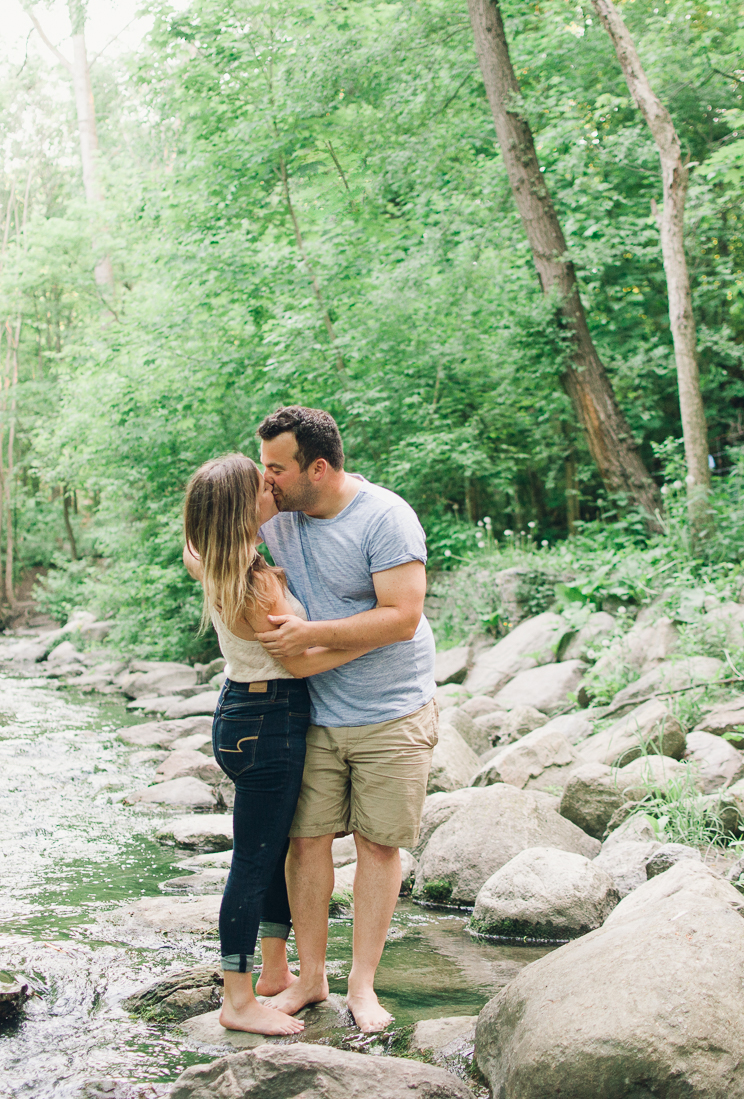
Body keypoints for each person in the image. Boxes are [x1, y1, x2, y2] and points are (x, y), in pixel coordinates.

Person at [249, 406, 436, 1034]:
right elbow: (206, 541)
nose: (265, 479)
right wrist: (205, 551)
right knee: (305, 842)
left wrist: (313, 636)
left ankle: (363, 986)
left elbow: (403, 616)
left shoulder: (386, 517)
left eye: (277, 468)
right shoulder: (279, 512)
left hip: (392, 711)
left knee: (378, 845)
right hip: (317, 711)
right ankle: (310, 979)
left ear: (318, 468)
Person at [180, 453, 371, 1035]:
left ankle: (270, 972)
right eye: (264, 488)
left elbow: (201, 525)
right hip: (269, 717)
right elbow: (303, 658)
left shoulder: (206, 558)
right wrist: (378, 637)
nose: (275, 492)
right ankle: (237, 1001)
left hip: (243, 711)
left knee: (272, 851)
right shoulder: (257, 586)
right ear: (245, 510)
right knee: (255, 862)